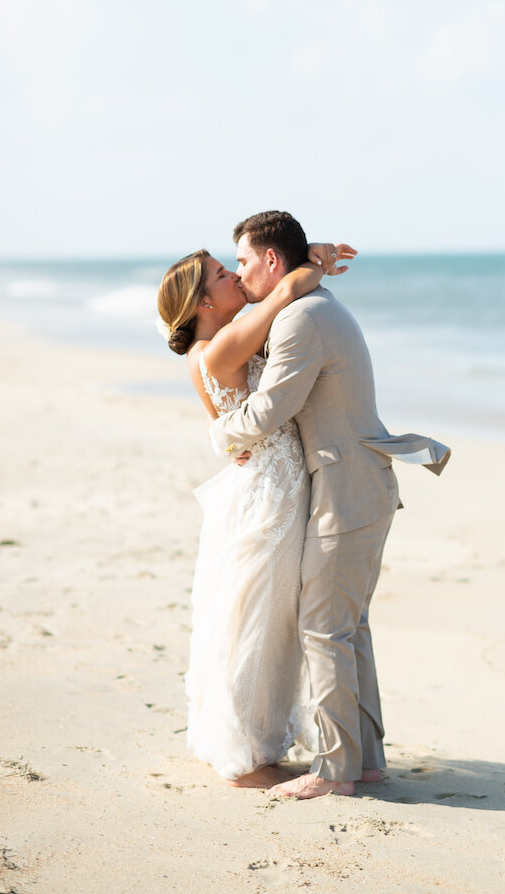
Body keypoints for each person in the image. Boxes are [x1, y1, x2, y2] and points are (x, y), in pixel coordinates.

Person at [209, 210, 450, 800]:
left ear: (271, 260)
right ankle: (365, 762)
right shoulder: (310, 305)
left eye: (242, 261)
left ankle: (336, 772)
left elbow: (270, 410)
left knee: (323, 628)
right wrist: (310, 261)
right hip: (358, 482)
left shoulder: (303, 319)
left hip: (348, 490)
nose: (238, 274)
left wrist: (218, 436)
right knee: (347, 628)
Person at [156, 240, 354, 788]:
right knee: (259, 618)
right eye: (223, 275)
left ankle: (258, 739)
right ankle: (248, 754)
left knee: (266, 617)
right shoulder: (219, 345)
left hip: (273, 482)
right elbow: (286, 290)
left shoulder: (215, 343)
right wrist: (298, 264)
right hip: (270, 491)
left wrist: (300, 254)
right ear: (203, 303)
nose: (234, 280)